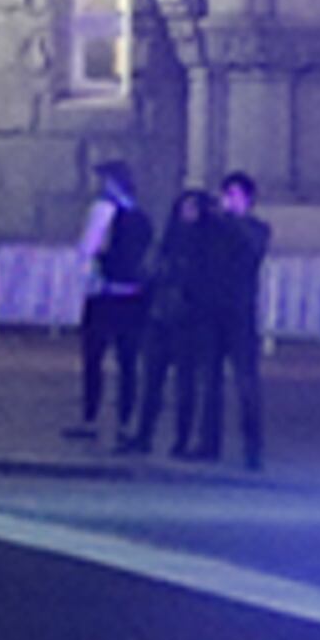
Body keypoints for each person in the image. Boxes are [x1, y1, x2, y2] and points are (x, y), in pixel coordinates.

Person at [183, 171, 271, 469]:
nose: (228, 201)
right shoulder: (214, 229)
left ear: (248, 199)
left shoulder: (257, 229)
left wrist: (229, 218)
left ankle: (253, 447)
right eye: (226, 195)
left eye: (234, 195)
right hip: (211, 313)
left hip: (240, 315)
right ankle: (209, 443)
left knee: (246, 383)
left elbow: (251, 247)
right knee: (210, 381)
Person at [118, 189, 214, 457]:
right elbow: (147, 271)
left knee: (186, 386)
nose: (188, 214)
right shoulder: (168, 240)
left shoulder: (205, 244)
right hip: (160, 317)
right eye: (184, 208)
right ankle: (143, 434)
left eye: (193, 208)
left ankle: (181, 439)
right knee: (152, 382)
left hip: (188, 322)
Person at [71, 161, 151, 443]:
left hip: (103, 294)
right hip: (133, 296)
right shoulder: (140, 215)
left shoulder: (103, 210)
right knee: (128, 363)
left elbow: (87, 249)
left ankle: (90, 419)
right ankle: (125, 423)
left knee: (94, 361)